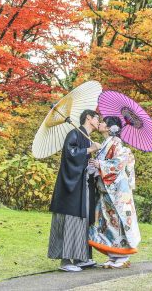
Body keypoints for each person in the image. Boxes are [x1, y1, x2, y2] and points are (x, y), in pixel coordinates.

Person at [47, 109, 103, 272]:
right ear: (88, 118)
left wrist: (92, 166)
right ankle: (65, 261)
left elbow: (84, 161)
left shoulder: (86, 137)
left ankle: (80, 258)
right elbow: (69, 155)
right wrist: (90, 150)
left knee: (83, 220)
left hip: (84, 186)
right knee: (70, 220)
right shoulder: (74, 134)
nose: (99, 122)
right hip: (71, 188)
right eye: (97, 118)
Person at [88, 116, 141, 269]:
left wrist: (100, 164)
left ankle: (123, 256)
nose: (100, 123)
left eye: (103, 122)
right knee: (107, 222)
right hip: (106, 190)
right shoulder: (106, 144)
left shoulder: (117, 144)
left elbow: (119, 163)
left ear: (110, 127)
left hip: (117, 192)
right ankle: (113, 255)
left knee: (118, 221)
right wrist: (95, 166)